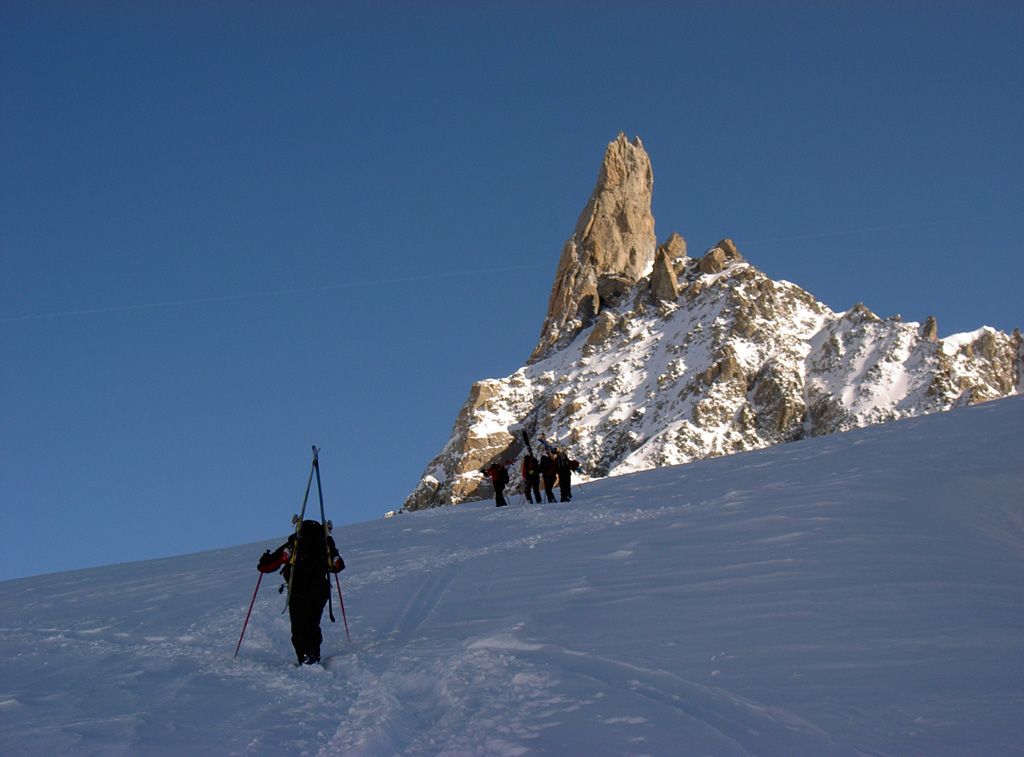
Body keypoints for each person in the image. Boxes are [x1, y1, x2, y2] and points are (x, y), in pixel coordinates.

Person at [258, 519, 344, 665]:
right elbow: (337, 566)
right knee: (312, 624)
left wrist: (264, 561)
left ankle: (304, 656)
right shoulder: (325, 543)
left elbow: (268, 566)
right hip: (319, 591)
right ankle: (312, 654)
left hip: (298, 588)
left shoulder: (296, 542)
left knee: (299, 626)